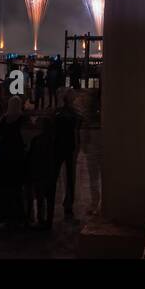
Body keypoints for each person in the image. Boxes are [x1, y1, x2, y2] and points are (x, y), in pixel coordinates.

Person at [0, 96, 28, 225]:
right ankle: (17, 214)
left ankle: (3, 214)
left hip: (4, 158)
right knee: (17, 187)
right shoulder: (22, 120)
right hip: (17, 157)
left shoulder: (3, 121)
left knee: (4, 186)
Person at [52, 89, 81, 219]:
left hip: (58, 147)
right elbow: (76, 133)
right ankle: (68, 205)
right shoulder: (75, 115)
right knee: (70, 177)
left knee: (54, 176)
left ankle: (50, 202)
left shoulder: (57, 114)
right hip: (69, 147)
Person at [26, 116, 56, 228]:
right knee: (49, 199)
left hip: (39, 172)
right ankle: (49, 220)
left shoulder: (36, 140)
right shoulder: (53, 141)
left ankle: (41, 218)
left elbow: (31, 157)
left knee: (40, 197)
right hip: (49, 172)